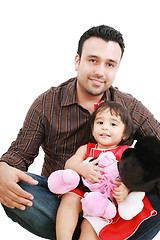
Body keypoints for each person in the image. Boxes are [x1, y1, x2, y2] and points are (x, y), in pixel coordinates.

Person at [0, 25, 160, 239]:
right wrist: (2, 171)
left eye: (110, 64)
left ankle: (100, 230)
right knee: (13, 182)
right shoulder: (47, 103)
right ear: (78, 61)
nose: (100, 72)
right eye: (93, 60)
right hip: (60, 202)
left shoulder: (128, 106)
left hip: (112, 206)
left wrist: (131, 188)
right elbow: (17, 157)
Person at [52, 101, 148, 240]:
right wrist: (81, 168)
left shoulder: (126, 152)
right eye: (100, 123)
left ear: (125, 134)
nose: (105, 128)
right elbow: (70, 164)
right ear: (92, 128)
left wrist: (126, 188)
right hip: (83, 191)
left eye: (113, 124)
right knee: (69, 198)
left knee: (90, 226)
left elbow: (139, 176)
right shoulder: (86, 148)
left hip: (105, 201)